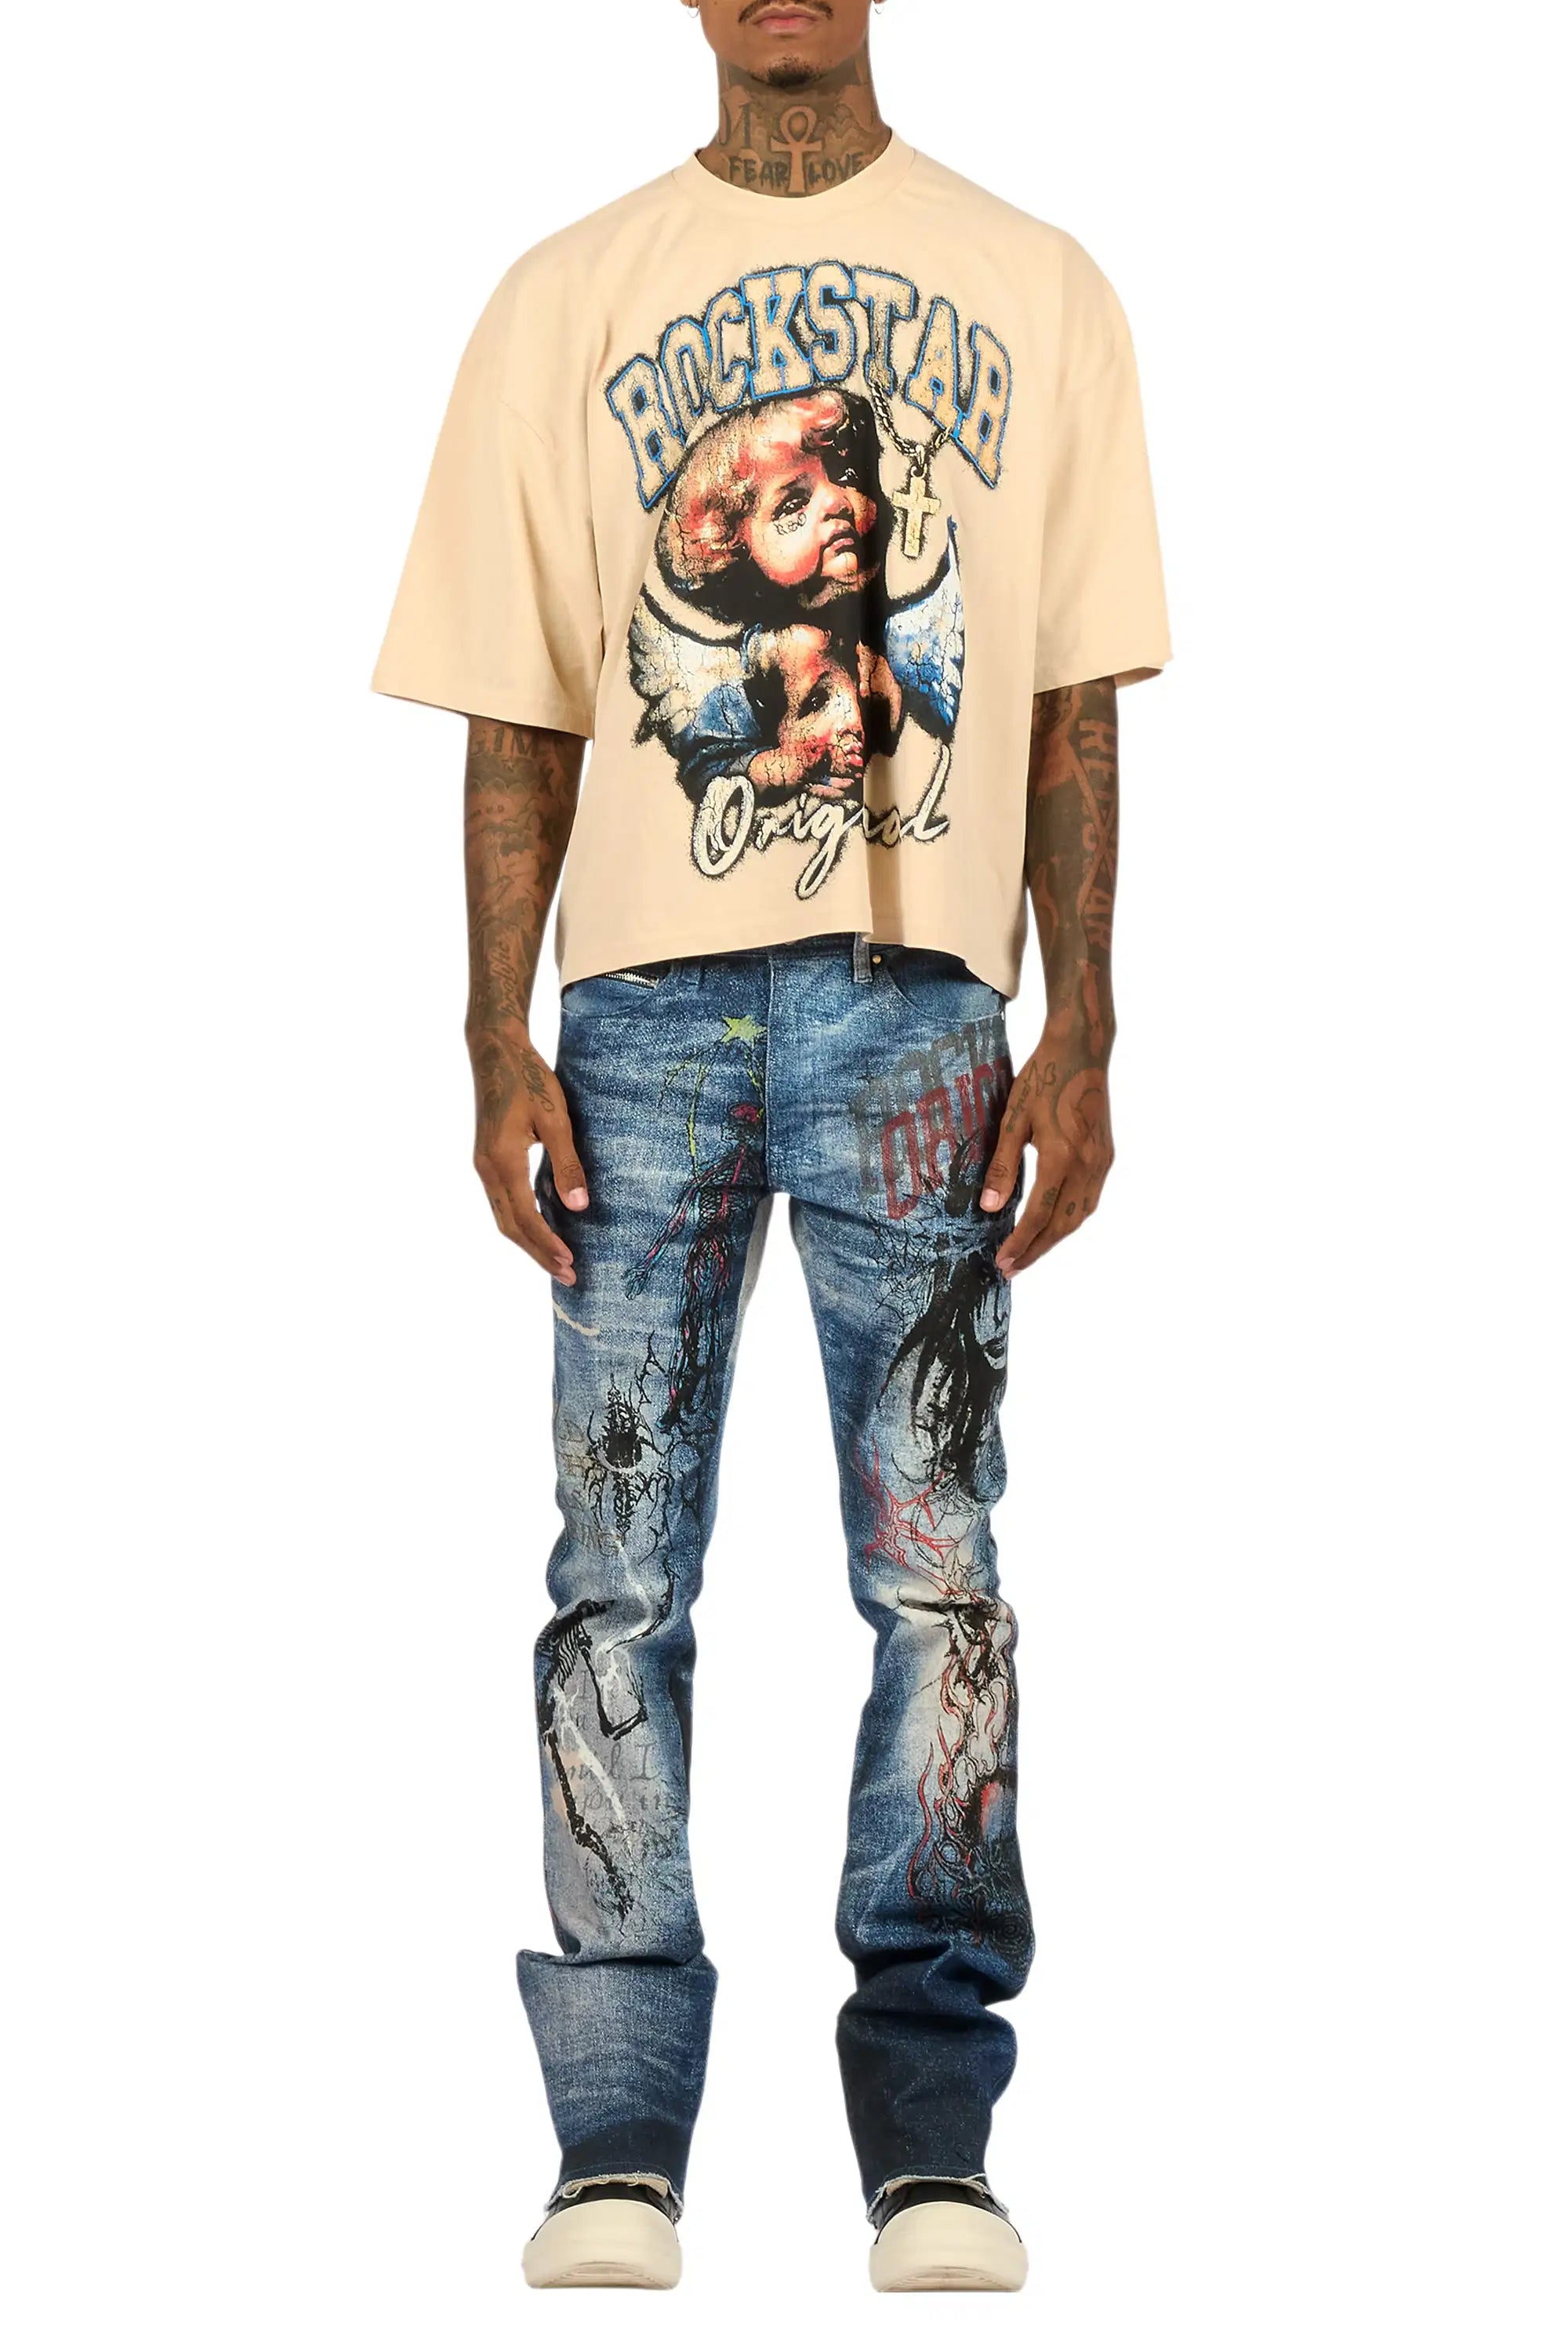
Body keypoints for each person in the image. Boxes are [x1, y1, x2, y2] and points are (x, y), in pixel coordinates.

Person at [372, 0, 1168, 2296]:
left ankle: (932, 2132)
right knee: (615, 1575)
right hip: (635, 1015)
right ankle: (618, 2133)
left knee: (940, 1571)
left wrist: (1087, 1019)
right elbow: (519, 707)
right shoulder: (561, 297)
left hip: (925, 1008)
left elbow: (1071, 692)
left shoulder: (1042, 284)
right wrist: (491, 1034)